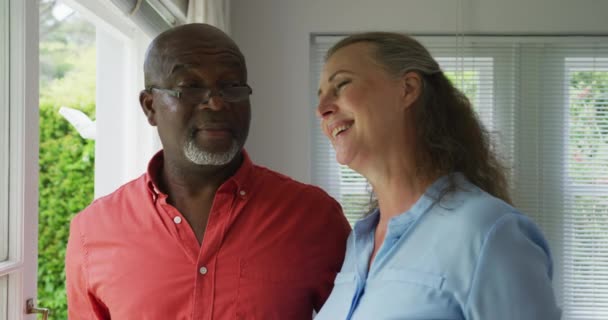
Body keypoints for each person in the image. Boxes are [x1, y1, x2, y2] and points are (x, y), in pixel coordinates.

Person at [65, 23, 351, 320]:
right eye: (189, 86)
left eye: (231, 86)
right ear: (150, 106)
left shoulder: (313, 217)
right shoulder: (94, 231)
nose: (216, 102)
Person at [314, 32, 561, 319]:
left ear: (407, 89)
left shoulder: (488, 233)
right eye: (319, 97)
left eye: (342, 84)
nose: (322, 109)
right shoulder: (358, 245)